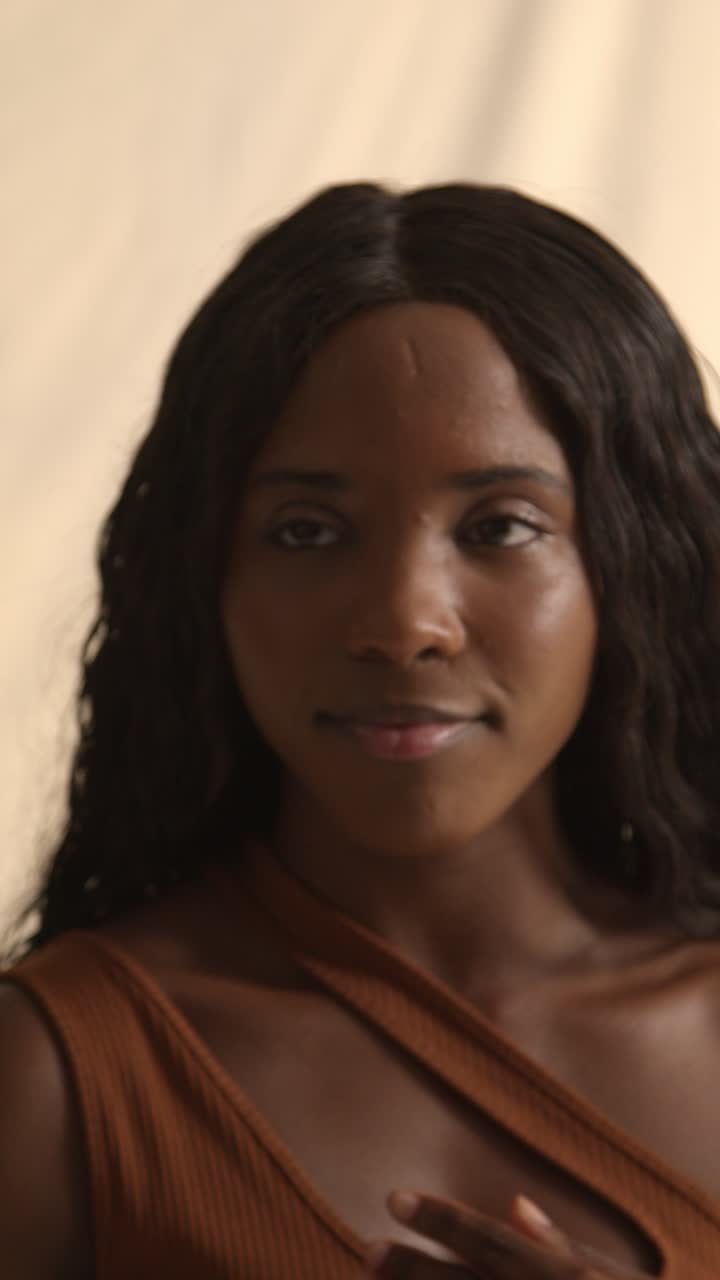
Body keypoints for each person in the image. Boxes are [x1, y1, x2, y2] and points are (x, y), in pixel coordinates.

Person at [1, 181, 720, 1280]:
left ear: (633, 565)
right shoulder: (54, 1076)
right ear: (206, 578)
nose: (401, 622)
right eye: (306, 529)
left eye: (502, 525)